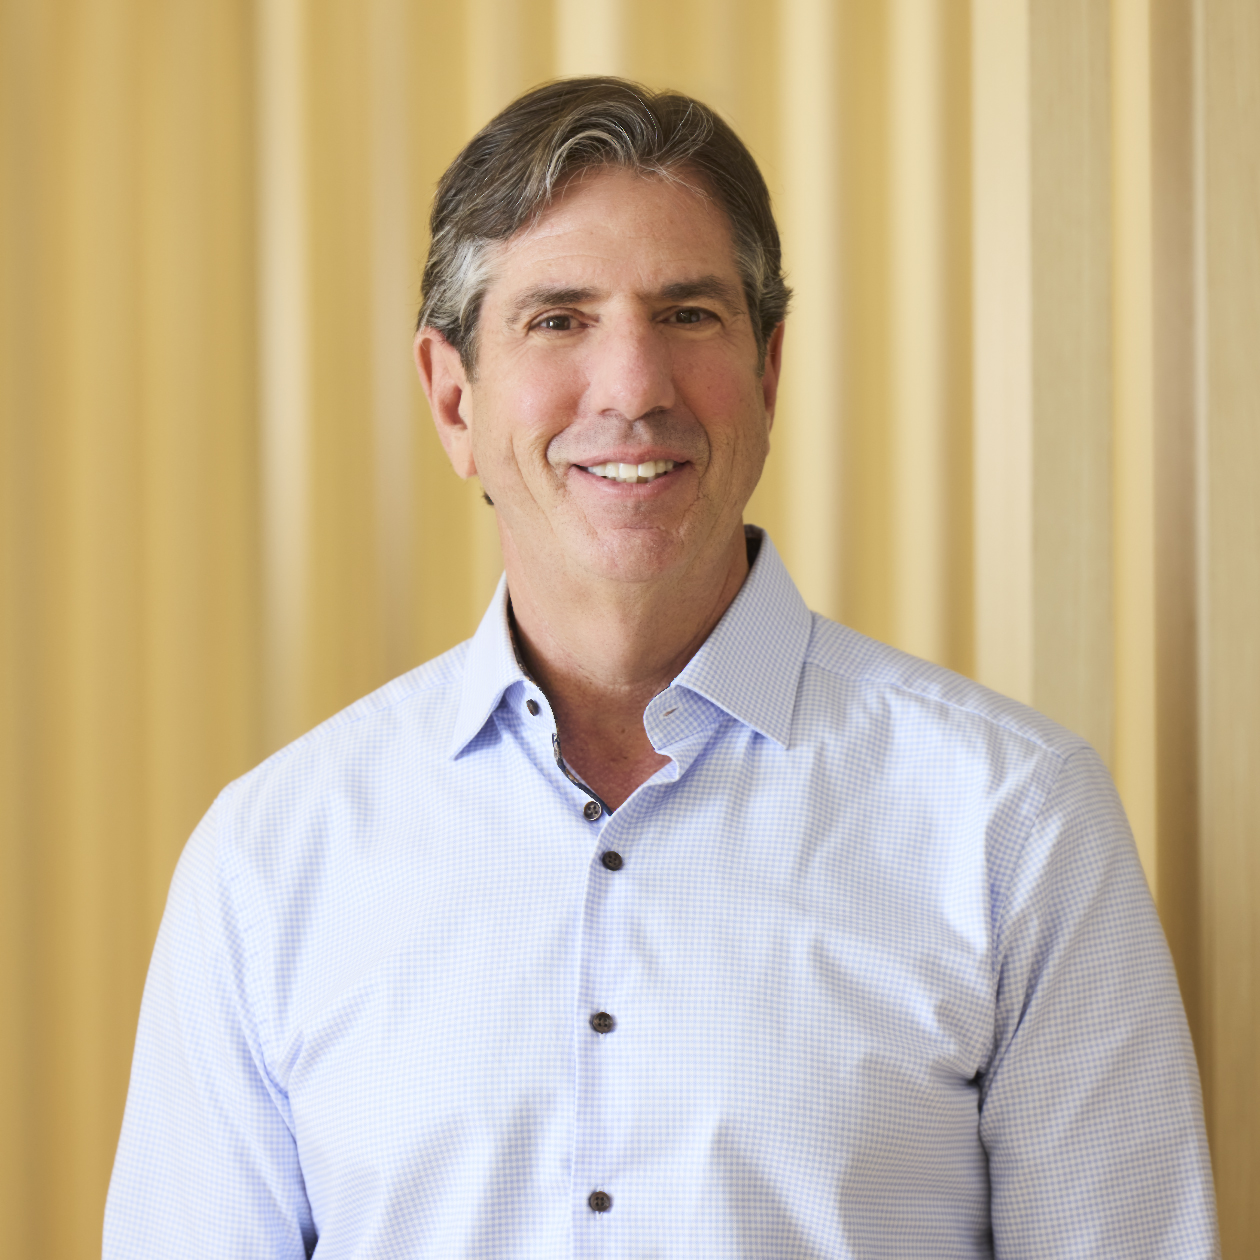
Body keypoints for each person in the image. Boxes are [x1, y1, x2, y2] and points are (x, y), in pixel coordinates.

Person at [105, 77, 1217, 1258]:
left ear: (771, 372)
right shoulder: (268, 860)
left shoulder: (1015, 821)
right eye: (558, 319)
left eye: (688, 315)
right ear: (451, 396)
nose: (634, 389)